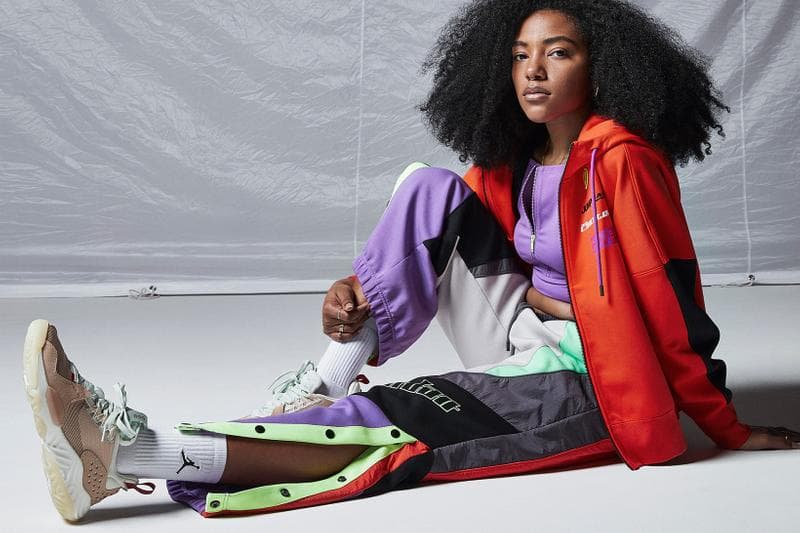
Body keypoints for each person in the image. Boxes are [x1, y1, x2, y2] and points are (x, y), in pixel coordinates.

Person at [23, 0, 799, 522]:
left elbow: (673, 301)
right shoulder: (511, 162)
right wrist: (354, 291)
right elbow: (428, 232)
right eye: (521, 55)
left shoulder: (624, 162)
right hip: (525, 335)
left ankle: (126, 452)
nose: (533, 70)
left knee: (406, 419)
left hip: (596, 374)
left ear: (599, 69)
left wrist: (724, 425)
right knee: (426, 186)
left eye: (558, 54)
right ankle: (326, 376)